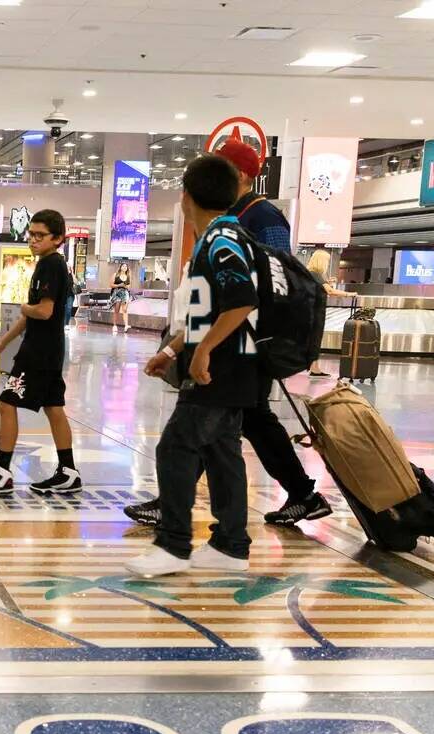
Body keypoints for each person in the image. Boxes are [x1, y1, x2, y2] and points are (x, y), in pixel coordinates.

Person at [126, 137, 333, 529]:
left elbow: (274, 285)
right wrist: (176, 348)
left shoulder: (261, 218)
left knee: (213, 426)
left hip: (246, 344)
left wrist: (210, 346)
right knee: (237, 425)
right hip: (230, 340)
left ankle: (181, 512)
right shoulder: (228, 217)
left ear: (237, 174)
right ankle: (285, 504)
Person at [126, 156, 260, 577]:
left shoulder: (221, 241)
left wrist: (202, 353)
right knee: (222, 453)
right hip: (235, 365)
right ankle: (231, 546)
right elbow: (210, 310)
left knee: (176, 448)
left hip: (222, 365)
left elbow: (241, 301)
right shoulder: (223, 236)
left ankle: (173, 544)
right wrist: (172, 350)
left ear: (186, 196)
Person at [0, 209, 81, 496]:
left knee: (6, 402)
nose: (32, 240)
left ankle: (2, 472)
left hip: (39, 353)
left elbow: (42, 310)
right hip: (47, 349)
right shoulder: (50, 263)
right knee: (54, 407)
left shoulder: (50, 265)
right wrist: (3, 342)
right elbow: (29, 317)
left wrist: (25, 307)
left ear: (57, 238)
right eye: (31, 234)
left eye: (40, 235)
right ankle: (69, 471)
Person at [306, 249, 357, 378]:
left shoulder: (311, 274)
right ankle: (313, 368)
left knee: (313, 339)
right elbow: (330, 291)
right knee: (315, 339)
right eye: (327, 262)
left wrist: (327, 283)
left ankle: (314, 367)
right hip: (315, 313)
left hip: (312, 311)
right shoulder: (315, 274)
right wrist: (349, 294)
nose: (327, 264)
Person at [110, 263, 132, 334]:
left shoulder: (128, 276)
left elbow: (129, 286)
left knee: (125, 309)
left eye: (126, 266)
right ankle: (115, 325)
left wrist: (125, 286)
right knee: (117, 310)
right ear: (120, 267)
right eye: (123, 266)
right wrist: (119, 285)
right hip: (116, 293)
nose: (125, 267)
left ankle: (126, 325)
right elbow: (111, 285)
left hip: (125, 293)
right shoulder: (116, 275)